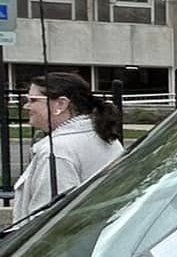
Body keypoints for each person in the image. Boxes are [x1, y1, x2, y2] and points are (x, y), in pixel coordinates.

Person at [10, 73, 124, 228]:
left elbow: (47, 223)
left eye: (33, 100)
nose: (26, 106)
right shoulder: (103, 136)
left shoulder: (57, 151)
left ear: (61, 104)